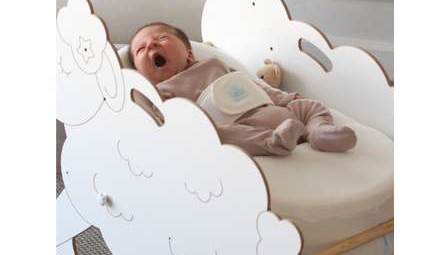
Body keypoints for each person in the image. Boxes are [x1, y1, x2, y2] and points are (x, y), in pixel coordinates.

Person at [129, 22, 357, 157]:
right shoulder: (161, 92)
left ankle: (319, 131)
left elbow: (251, 84)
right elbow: (161, 120)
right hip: (238, 127)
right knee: (212, 135)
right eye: (141, 49)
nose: (152, 44)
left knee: (308, 106)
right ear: (140, 74)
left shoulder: (215, 64)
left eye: (161, 38)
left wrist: (285, 99)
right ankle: (274, 142)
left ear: (189, 53)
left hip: (270, 109)